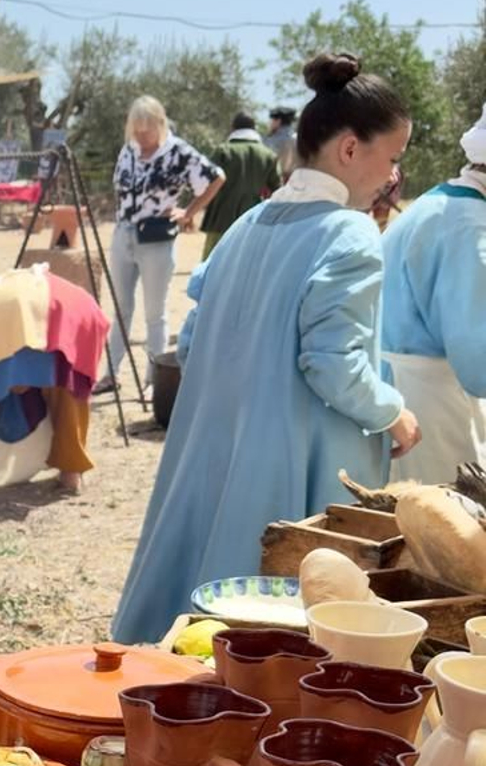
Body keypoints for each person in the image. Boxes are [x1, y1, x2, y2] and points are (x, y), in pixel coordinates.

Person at [114, 53, 420, 643]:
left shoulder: (245, 228)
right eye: (393, 158)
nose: (392, 177)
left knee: (196, 634)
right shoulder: (351, 234)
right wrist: (394, 414)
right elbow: (334, 365)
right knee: (272, 645)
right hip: (291, 471)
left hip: (214, 453)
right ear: (351, 150)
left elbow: (195, 340)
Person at [378, 99, 486, 481]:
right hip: (430, 406)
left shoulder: (442, 202)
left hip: (405, 392)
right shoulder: (470, 228)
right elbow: (479, 363)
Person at [104, 97, 223, 383]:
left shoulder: (178, 152)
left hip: (156, 239)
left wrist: (189, 212)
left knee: (154, 313)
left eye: (147, 130)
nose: (142, 136)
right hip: (123, 234)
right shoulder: (128, 151)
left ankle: (153, 379)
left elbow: (216, 177)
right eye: (137, 130)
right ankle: (111, 374)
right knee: (120, 308)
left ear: (160, 124)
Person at [199, 110, 282, 256]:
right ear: (254, 129)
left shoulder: (223, 151)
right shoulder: (268, 155)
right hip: (252, 219)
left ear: (233, 128)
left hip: (221, 218)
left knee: (212, 264)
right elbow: (278, 189)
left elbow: (206, 181)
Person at [265, 106, 298, 178]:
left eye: (272, 120)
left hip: (275, 179)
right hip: (296, 179)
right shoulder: (298, 138)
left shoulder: (272, 140)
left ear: (278, 121)